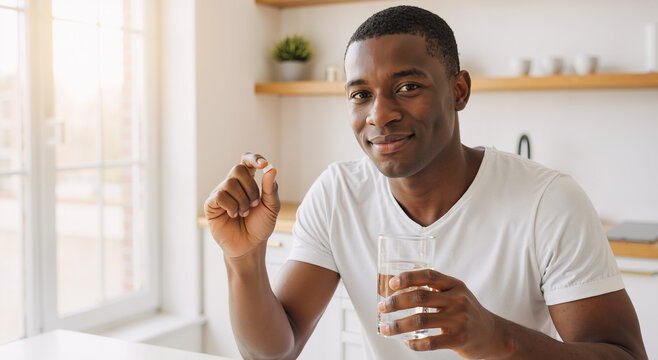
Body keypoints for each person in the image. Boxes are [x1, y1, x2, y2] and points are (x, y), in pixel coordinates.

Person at [204, 5, 647, 360]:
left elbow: (624, 355)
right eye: (360, 94)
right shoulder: (338, 194)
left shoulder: (548, 202)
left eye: (408, 86)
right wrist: (244, 260)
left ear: (459, 91)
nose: (379, 115)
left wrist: (497, 339)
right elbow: (273, 352)